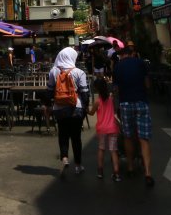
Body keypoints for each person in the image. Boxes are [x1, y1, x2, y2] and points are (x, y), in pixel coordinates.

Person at [114, 43, 155, 187]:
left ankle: (130, 167)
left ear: (122, 55)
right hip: (141, 102)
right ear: (132, 54)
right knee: (144, 138)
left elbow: (117, 89)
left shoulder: (118, 67)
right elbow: (148, 84)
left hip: (125, 104)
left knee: (128, 136)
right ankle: (148, 173)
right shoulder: (141, 63)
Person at [47, 46, 89, 176]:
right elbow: (85, 94)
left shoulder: (54, 71)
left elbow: (49, 91)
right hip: (76, 108)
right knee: (76, 138)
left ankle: (64, 158)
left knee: (63, 135)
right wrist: (84, 109)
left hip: (60, 109)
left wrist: (50, 105)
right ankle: (78, 165)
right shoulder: (79, 72)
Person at [88, 76, 121, 181]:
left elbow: (92, 113)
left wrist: (86, 110)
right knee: (113, 150)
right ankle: (116, 173)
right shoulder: (111, 98)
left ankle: (100, 171)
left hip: (102, 128)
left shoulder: (98, 101)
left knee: (101, 149)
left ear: (97, 89)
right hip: (112, 127)